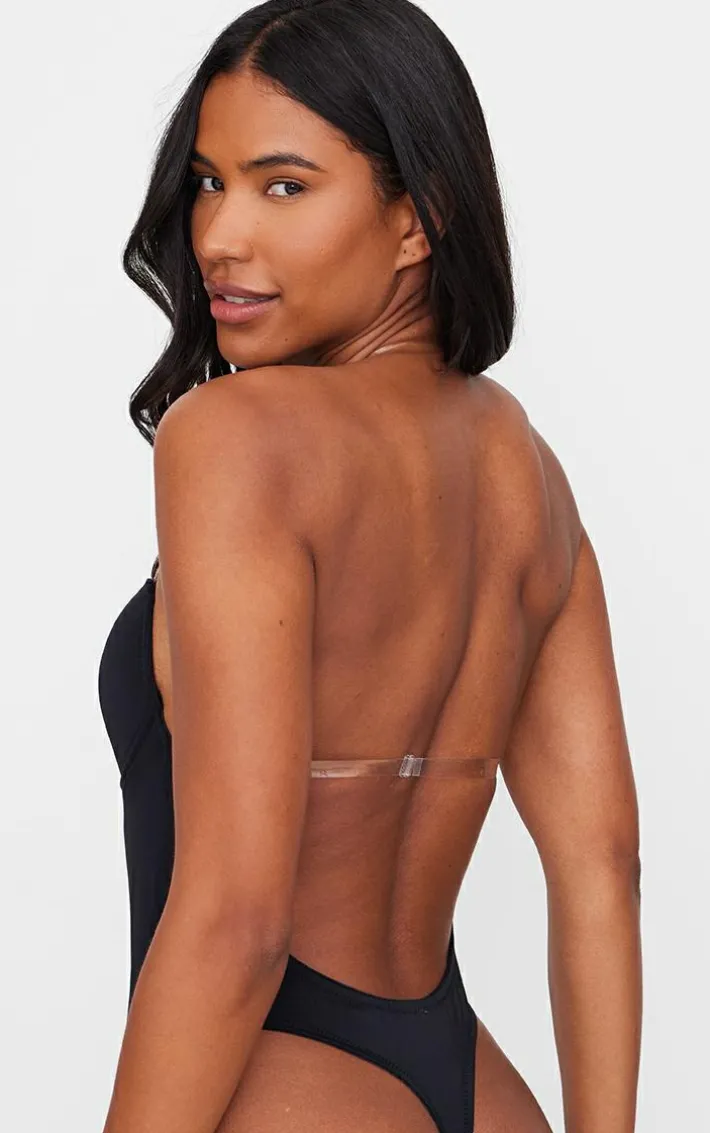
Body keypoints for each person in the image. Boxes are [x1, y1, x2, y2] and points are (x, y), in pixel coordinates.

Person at [97, 1, 642, 1130]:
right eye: (209, 182)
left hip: (290, 1078)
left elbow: (239, 922)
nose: (218, 237)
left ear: (417, 218)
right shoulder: (527, 472)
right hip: (479, 1090)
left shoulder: (236, 439)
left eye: (283, 186)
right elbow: (603, 865)